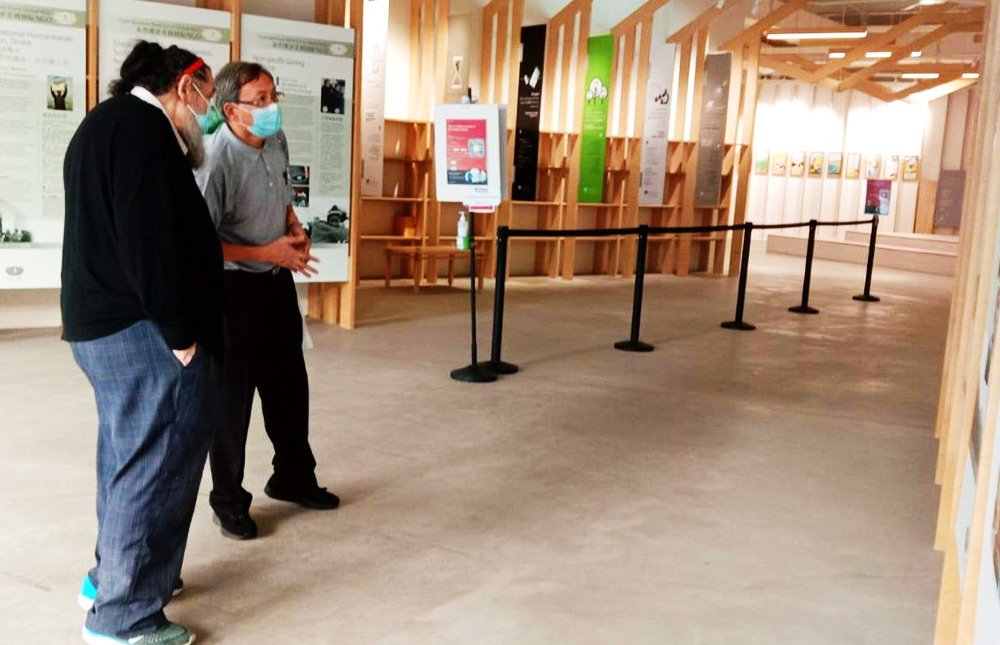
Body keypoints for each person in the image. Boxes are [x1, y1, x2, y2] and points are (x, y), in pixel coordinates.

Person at [61, 41, 223, 645]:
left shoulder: (102, 124)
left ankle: (111, 579)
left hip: (99, 325)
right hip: (142, 330)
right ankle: (123, 617)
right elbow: (148, 241)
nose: (209, 110)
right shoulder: (146, 132)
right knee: (156, 466)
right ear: (184, 86)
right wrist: (180, 332)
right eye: (207, 95)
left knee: (125, 459)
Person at [195, 61, 339, 541]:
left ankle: (293, 477)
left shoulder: (275, 139)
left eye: (273, 96)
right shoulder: (215, 160)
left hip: (276, 282)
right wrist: (265, 251)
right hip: (232, 289)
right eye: (260, 100)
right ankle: (228, 501)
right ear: (231, 110)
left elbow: (283, 196)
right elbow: (199, 245)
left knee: (289, 386)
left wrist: (293, 229)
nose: (271, 107)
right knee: (232, 399)